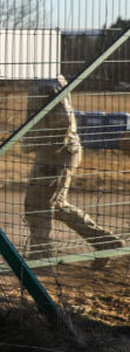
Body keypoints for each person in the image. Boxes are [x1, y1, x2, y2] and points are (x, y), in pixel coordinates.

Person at [23, 75, 119, 259]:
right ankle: (105, 241)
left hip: (55, 153)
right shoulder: (44, 80)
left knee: (38, 204)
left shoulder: (47, 83)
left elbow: (63, 121)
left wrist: (50, 149)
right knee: (55, 205)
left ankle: (40, 257)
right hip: (56, 151)